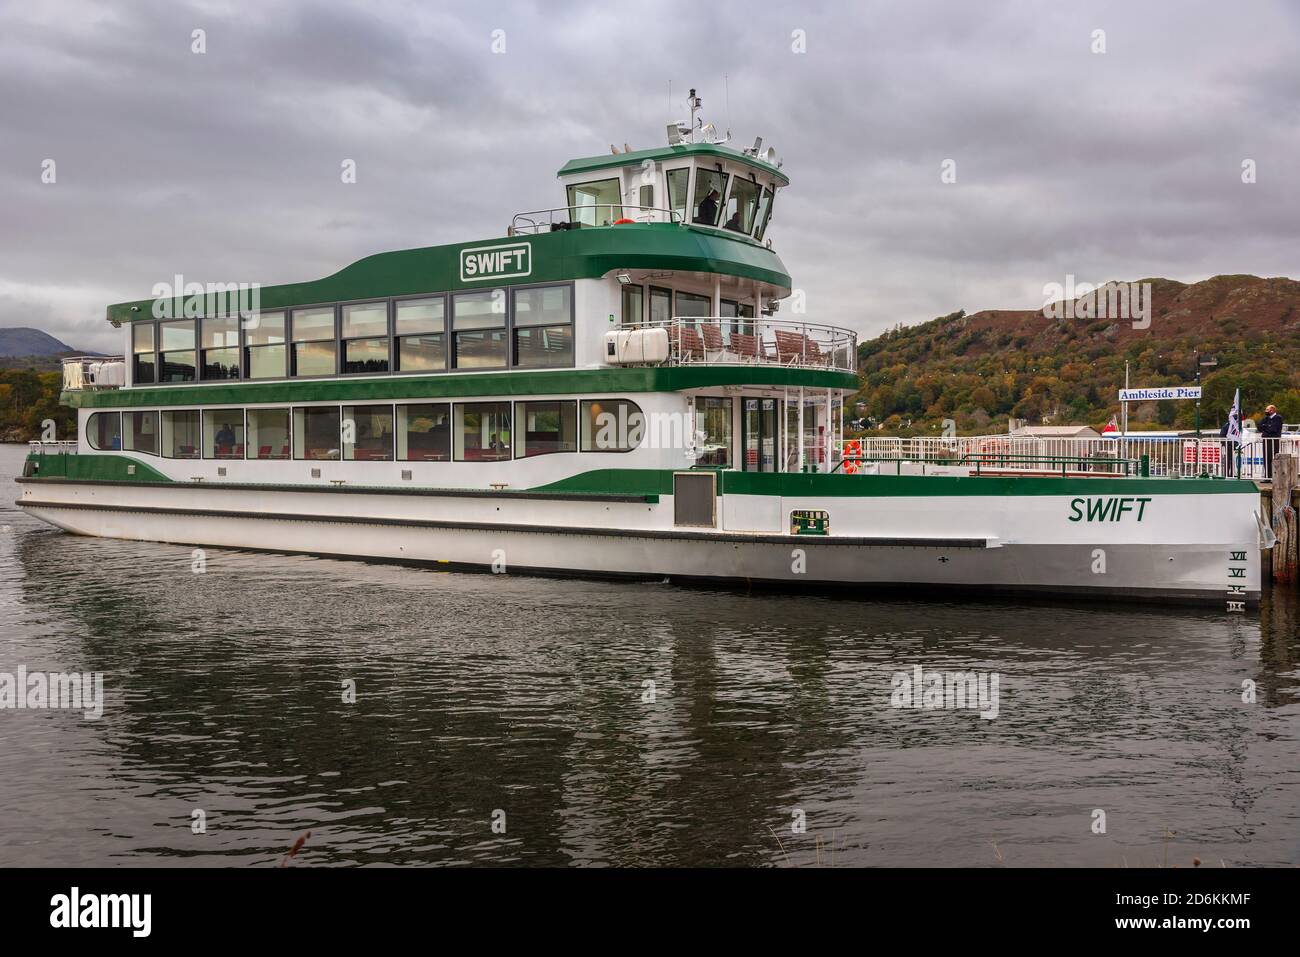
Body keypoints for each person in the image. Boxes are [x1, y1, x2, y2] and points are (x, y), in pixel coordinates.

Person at [1259, 403, 1284, 479]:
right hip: (1266, 441)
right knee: (1266, 458)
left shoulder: (1278, 418)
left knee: (1274, 458)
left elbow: (1273, 429)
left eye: (1267, 409)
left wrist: (1265, 427)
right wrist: (1267, 427)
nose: (1266, 411)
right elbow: (1259, 427)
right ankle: (1267, 476)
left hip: (1274, 441)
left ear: (1272, 410)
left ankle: (1275, 476)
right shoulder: (1266, 418)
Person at [1219, 408, 1240, 477]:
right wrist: (1225, 444)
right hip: (1229, 446)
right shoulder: (1226, 425)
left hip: (1236, 446)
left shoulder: (1238, 426)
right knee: (1228, 460)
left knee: (1235, 461)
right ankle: (1227, 474)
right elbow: (1222, 436)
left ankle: (1234, 474)